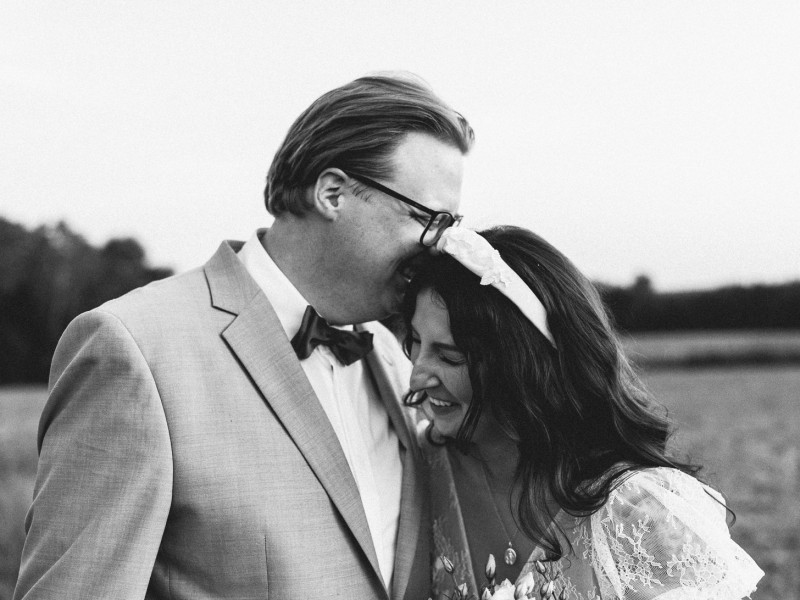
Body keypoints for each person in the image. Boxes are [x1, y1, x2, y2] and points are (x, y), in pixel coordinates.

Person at [14, 73, 474, 600]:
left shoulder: (396, 357)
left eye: (451, 226)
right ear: (333, 193)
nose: (440, 246)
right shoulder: (135, 349)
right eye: (428, 218)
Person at [403, 225, 764, 600]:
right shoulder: (413, 465)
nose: (417, 376)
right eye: (414, 342)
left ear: (523, 366)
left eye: (450, 356)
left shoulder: (637, 513)